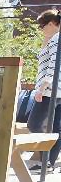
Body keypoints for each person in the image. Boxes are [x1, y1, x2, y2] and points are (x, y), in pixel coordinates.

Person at [28, 9, 61, 170]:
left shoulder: (56, 39)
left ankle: (46, 161)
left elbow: (54, 65)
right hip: (56, 90)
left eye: (43, 25)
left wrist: (42, 88)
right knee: (54, 127)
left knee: (34, 124)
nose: (41, 29)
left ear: (52, 23)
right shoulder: (53, 39)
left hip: (50, 90)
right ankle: (48, 163)